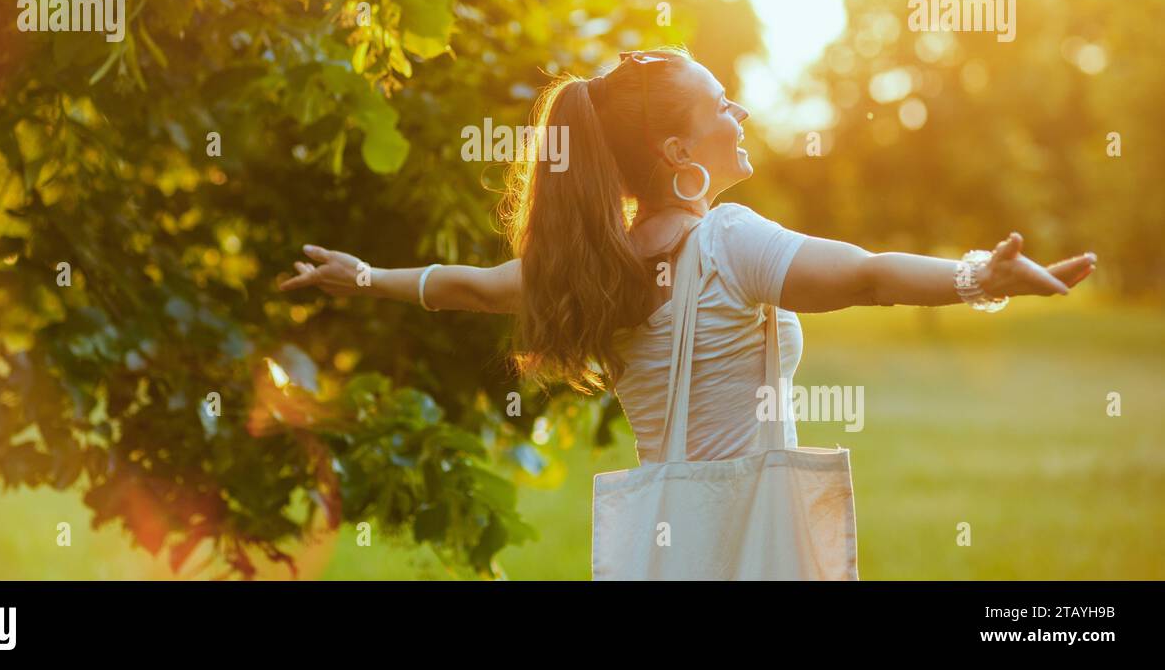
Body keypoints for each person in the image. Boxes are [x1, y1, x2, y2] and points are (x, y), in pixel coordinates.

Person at [278, 45, 1096, 463]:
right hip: (746, 539)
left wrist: (365, 277)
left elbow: (477, 289)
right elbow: (867, 275)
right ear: (677, 150)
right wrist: (978, 276)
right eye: (721, 105)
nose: (740, 114)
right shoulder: (729, 243)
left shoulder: (596, 262)